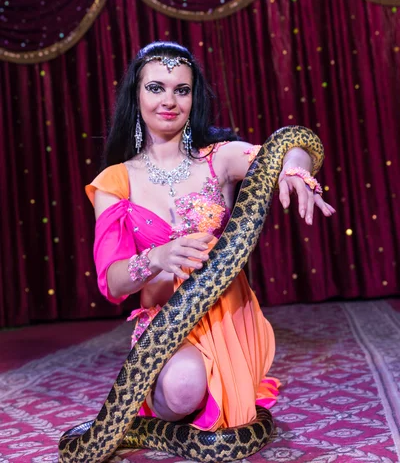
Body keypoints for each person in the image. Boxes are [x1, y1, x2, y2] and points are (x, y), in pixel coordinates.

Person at [85, 41, 335, 431]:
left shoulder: (217, 157)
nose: (169, 100)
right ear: (135, 95)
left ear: (193, 98)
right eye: (156, 88)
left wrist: (294, 170)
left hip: (226, 318)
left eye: (181, 90)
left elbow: (290, 145)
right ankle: (156, 405)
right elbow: (113, 284)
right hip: (166, 324)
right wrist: (157, 258)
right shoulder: (114, 182)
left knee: (202, 395)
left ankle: (216, 385)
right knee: (184, 388)